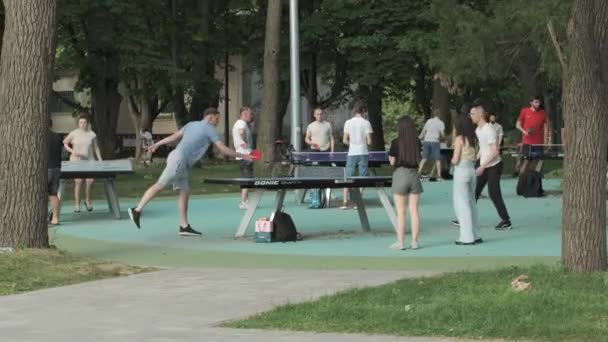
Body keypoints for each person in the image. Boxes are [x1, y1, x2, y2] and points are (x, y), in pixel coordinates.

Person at [128, 108, 252, 236]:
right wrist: (243, 156)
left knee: (185, 191)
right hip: (179, 161)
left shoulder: (191, 124)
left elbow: (173, 137)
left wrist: (157, 144)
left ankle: (184, 226)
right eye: (217, 119)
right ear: (210, 118)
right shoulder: (210, 129)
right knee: (160, 185)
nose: (217, 121)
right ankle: (137, 210)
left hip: (178, 159)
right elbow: (222, 149)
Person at [471, 100, 512, 230]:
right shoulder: (478, 129)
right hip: (484, 164)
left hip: (494, 165)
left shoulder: (489, 130)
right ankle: (466, 217)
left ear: (480, 115)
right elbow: (483, 148)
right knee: (474, 191)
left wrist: (482, 166)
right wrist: (477, 157)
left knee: (494, 193)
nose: (470, 116)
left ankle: (506, 221)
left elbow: (494, 152)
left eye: (473, 113)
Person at [387, 116, 422, 250]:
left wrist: (390, 158)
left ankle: (400, 242)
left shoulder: (396, 142)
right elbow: (419, 159)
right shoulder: (417, 142)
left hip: (400, 174)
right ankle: (415, 242)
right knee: (414, 211)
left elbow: (392, 162)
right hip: (414, 175)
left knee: (401, 212)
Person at [451, 113, 482, 245]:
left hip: (461, 170)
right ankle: (475, 235)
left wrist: (451, 161)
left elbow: (456, 158)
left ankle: (466, 237)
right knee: (471, 202)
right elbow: (476, 156)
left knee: (462, 203)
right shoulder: (474, 138)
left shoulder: (459, 139)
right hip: (472, 170)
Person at [62, 114, 103, 212]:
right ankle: (77, 205)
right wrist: (72, 151)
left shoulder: (92, 134)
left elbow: (96, 147)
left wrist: (100, 159)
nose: (82, 124)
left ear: (87, 123)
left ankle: (88, 201)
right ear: (78, 124)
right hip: (76, 161)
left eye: (84, 122)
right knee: (79, 182)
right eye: (80, 122)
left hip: (90, 160)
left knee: (90, 181)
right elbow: (65, 143)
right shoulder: (73, 133)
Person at [342, 101, 373, 209]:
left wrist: (353, 143)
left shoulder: (348, 122)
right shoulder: (366, 123)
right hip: (363, 153)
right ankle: (358, 203)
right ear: (364, 111)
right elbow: (369, 142)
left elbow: (344, 140)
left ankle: (345, 201)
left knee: (347, 177)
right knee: (362, 178)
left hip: (351, 153)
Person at [515, 96, 549, 174]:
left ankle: (535, 180)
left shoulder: (543, 113)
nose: (538, 104)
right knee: (527, 161)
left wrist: (546, 142)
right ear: (531, 102)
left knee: (539, 162)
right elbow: (517, 125)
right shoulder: (525, 111)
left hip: (539, 143)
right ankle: (521, 181)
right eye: (536, 102)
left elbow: (547, 127)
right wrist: (524, 132)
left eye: (539, 102)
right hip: (527, 142)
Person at [232, 106, 254, 209]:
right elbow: (241, 132)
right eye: (250, 114)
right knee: (248, 179)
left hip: (241, 155)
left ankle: (246, 201)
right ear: (245, 114)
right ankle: (243, 202)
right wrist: (244, 141)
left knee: (246, 177)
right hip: (245, 154)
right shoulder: (241, 124)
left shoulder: (238, 123)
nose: (251, 116)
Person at [418, 110, 445, 178]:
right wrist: (444, 138)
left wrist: (419, 137)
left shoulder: (429, 121)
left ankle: (418, 173)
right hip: (435, 141)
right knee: (437, 159)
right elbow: (443, 134)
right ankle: (439, 175)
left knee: (424, 158)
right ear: (440, 115)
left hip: (426, 141)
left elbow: (423, 131)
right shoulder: (441, 123)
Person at [48, 119, 64, 225]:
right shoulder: (57, 137)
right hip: (56, 168)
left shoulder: (38, 136)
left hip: (44, 168)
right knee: (53, 194)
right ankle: (55, 218)